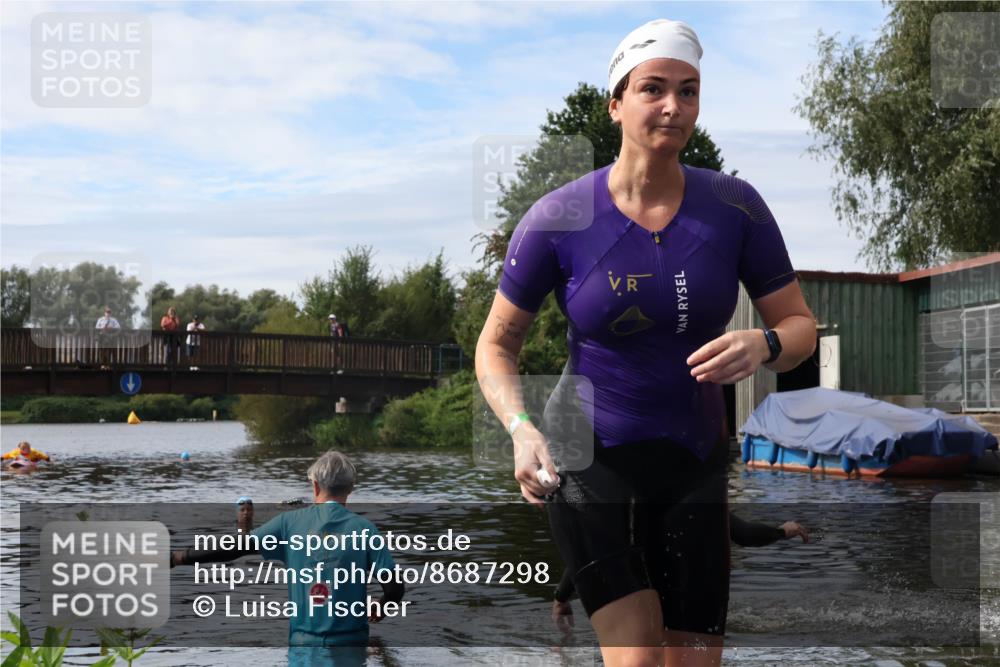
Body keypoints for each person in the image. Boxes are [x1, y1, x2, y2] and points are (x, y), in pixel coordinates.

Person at [474, 18, 817, 667]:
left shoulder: (734, 207)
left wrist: (765, 344)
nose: (673, 106)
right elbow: (496, 345)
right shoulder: (558, 217)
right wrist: (519, 427)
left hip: (694, 461)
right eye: (653, 89)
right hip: (588, 459)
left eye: (688, 91)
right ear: (615, 103)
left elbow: (800, 327)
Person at [170, 451, 404, 661]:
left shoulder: (288, 524)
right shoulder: (365, 529)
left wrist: (179, 557)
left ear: (314, 486)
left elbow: (234, 547)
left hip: (304, 646)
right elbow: (394, 590)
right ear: (351, 488)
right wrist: (382, 605)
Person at [551, 514, 811, 630]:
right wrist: (780, 532)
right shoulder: (692, 496)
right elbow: (742, 533)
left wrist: (561, 597)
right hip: (691, 605)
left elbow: (587, 557)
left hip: (639, 611)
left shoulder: (622, 509)